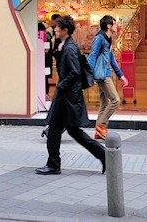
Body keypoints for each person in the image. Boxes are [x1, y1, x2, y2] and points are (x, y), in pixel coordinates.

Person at [36, 15, 105, 175]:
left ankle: (54, 164)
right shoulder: (64, 45)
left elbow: (74, 72)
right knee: (68, 131)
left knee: (58, 130)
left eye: (57, 27)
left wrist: (61, 85)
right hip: (67, 96)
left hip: (67, 97)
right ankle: (102, 155)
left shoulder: (70, 48)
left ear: (65, 30)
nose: (55, 28)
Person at [87, 15, 129, 140]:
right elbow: (92, 56)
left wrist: (121, 75)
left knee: (105, 103)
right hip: (102, 75)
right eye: (114, 24)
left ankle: (98, 132)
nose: (117, 26)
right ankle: (101, 126)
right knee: (115, 100)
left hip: (105, 73)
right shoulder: (99, 38)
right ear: (109, 26)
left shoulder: (108, 39)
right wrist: (89, 74)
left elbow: (112, 60)